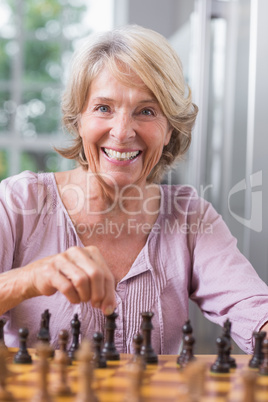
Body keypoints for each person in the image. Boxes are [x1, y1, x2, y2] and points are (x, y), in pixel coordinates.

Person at [0, 25, 268, 354]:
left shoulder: (189, 216)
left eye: (146, 111)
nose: (123, 132)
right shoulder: (18, 203)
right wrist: (27, 278)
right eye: (103, 108)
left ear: (170, 129)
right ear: (78, 119)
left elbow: (254, 311)